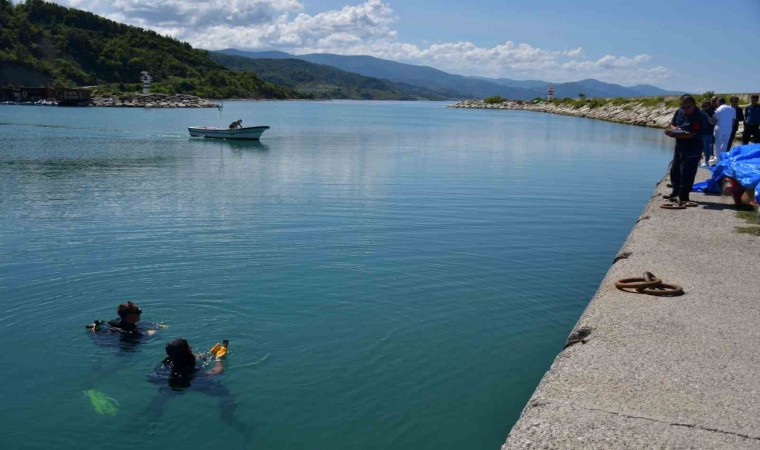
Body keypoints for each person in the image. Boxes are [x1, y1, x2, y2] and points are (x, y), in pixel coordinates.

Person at [143, 338, 251, 441]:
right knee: (226, 394)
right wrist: (219, 359)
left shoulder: (169, 360)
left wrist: (210, 354)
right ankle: (226, 415)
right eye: (188, 346)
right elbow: (216, 372)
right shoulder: (188, 364)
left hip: (172, 383)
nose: (190, 347)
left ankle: (148, 419)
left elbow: (194, 357)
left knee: (161, 399)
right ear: (187, 349)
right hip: (193, 382)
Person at [664, 95, 707, 203]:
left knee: (687, 173)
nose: (685, 110)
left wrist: (674, 135)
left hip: (693, 147)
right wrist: (675, 130)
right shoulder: (680, 112)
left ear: (694, 104)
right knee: (675, 170)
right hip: (680, 147)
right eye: (683, 107)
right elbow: (673, 124)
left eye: (688, 107)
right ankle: (675, 192)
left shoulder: (700, 115)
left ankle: (683, 196)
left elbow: (692, 134)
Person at [712, 97, 736, 163]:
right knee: (725, 143)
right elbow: (733, 120)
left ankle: (717, 159)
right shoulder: (732, 109)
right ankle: (723, 158)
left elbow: (714, 119)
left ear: (719, 102)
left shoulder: (718, 109)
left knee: (717, 144)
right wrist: (730, 127)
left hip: (719, 128)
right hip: (729, 128)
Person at [699, 100, 715, 167]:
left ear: (708, 106)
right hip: (700, 132)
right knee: (699, 147)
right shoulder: (699, 112)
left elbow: (713, 122)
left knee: (706, 148)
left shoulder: (711, 112)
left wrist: (707, 116)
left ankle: (706, 161)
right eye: (702, 106)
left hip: (708, 132)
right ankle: (698, 161)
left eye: (705, 106)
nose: (704, 107)